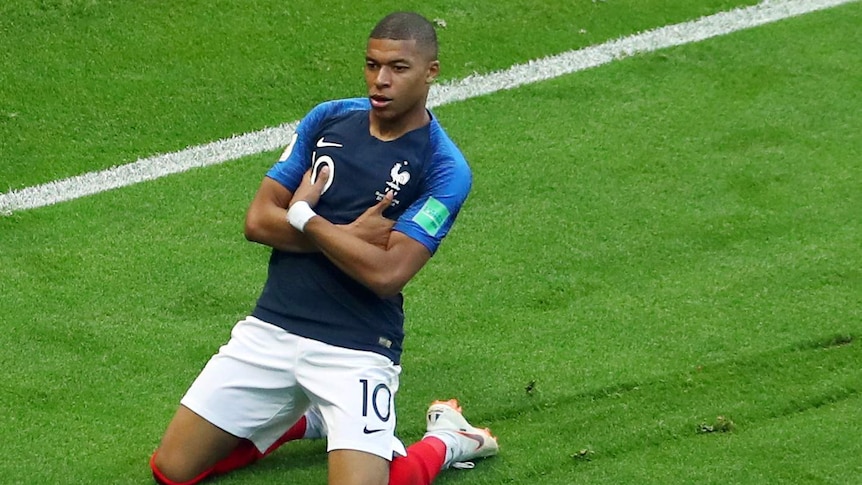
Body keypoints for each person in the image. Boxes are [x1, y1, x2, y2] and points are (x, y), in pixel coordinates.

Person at [149, 11, 498, 485]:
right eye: (372, 65)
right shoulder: (329, 119)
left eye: (398, 68)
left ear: (431, 72)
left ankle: (447, 440)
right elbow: (257, 221)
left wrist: (305, 216)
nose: (381, 80)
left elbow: (387, 273)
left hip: (355, 347)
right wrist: (348, 235)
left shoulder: (443, 167)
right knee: (171, 470)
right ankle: (313, 418)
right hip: (272, 326)